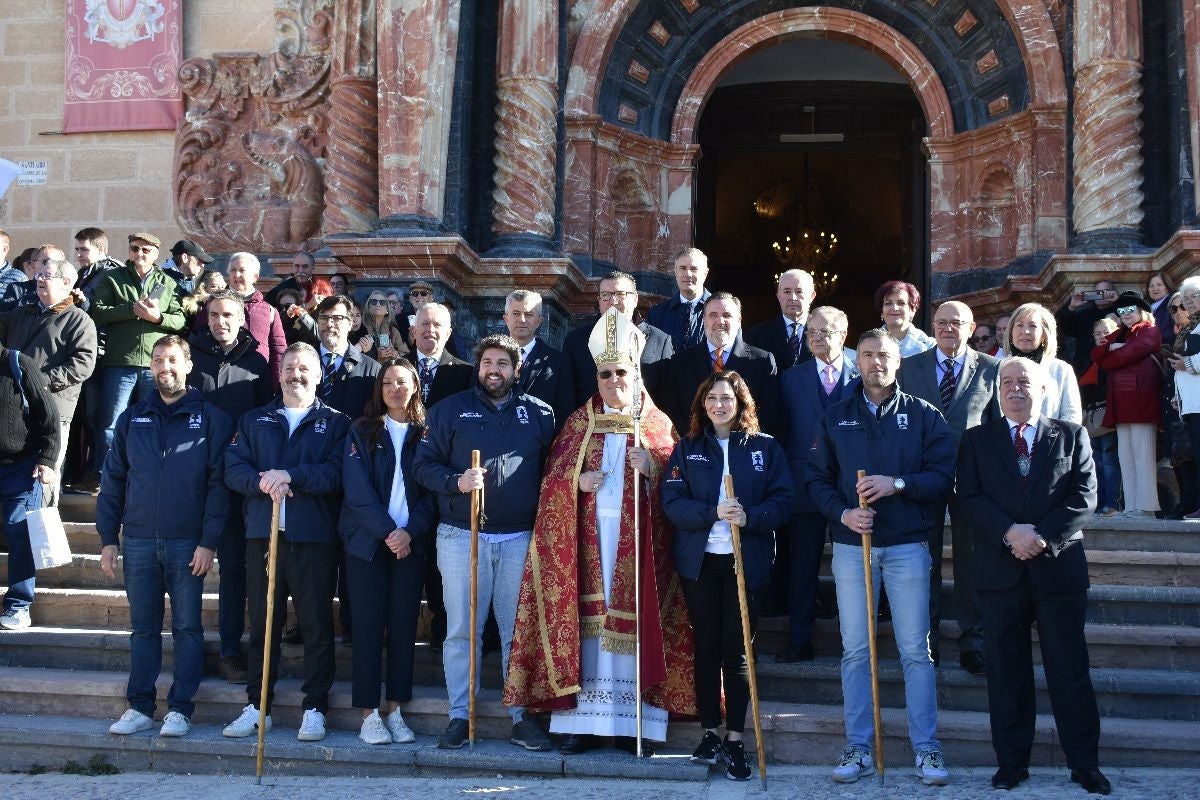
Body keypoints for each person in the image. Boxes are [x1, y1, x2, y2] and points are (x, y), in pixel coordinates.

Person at [504, 307, 694, 756]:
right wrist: (575, 482)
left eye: (621, 372)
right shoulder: (576, 423)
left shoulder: (657, 424)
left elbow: (682, 479)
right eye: (605, 373)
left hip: (639, 550)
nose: (614, 381)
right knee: (588, 633)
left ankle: (635, 724)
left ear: (636, 372)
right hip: (587, 550)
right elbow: (550, 481)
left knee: (635, 629)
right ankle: (578, 724)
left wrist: (654, 467)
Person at [806, 328, 955, 786]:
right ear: (858, 361)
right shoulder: (836, 416)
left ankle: (926, 750)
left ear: (898, 362)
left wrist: (899, 484)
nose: (876, 362)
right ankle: (858, 746)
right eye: (867, 355)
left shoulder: (925, 415)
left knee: (915, 650)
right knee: (855, 651)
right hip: (854, 550)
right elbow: (816, 480)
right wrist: (844, 513)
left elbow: (943, 476)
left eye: (884, 355)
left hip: (909, 545)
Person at [955, 357, 1109, 795]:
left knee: (1070, 670)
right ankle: (1011, 763)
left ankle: (1084, 765)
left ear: (1042, 389)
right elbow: (968, 496)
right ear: (998, 390)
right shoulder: (976, 440)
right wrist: (1009, 533)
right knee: (1006, 672)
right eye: (1007, 382)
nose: (1015, 388)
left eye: (1024, 381)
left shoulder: (1071, 434)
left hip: (1057, 567)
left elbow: (1085, 496)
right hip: (999, 571)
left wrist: (1040, 536)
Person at [413, 334, 556, 752]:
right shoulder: (449, 410)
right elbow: (423, 466)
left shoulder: (540, 414)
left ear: (517, 369)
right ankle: (461, 714)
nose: (494, 370)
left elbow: (555, 470)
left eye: (503, 363)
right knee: (462, 631)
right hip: (462, 536)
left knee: (518, 632)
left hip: (519, 538)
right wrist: (454, 482)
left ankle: (521, 716)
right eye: (488, 362)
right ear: (478, 367)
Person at [98, 335, 232, 738]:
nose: (164, 367)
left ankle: (180, 708)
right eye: (158, 360)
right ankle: (139, 705)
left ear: (188, 365)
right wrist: (108, 538)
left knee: (188, 629)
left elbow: (218, 487)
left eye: (172, 360)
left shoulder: (211, 418)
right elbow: (113, 480)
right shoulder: (132, 417)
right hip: (138, 540)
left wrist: (209, 541)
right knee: (143, 628)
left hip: (188, 543)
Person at [662, 370, 792, 780]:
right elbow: (673, 502)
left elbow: (784, 500)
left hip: (744, 561)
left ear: (741, 404)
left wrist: (750, 516)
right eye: (713, 398)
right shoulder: (687, 448)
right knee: (706, 648)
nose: (720, 404)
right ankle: (710, 733)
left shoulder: (765, 449)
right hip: (700, 563)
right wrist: (711, 513)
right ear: (703, 404)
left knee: (736, 653)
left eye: (728, 398)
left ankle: (736, 738)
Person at [222, 343, 351, 743]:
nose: (296, 374)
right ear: (279, 374)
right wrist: (262, 482)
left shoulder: (336, 423)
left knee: (315, 624)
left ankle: (315, 707)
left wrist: (291, 475)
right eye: (289, 367)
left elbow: (336, 473)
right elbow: (233, 467)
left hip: (313, 537)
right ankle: (258, 705)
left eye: (304, 368)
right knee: (264, 624)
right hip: (263, 533)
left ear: (318, 375)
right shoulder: (254, 419)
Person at [898, 300, 1001, 676]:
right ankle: (926, 641)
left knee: (970, 561)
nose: (947, 328)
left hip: (972, 481)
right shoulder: (910, 367)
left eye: (956, 323)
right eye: (941, 322)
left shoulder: (991, 368)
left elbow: (995, 430)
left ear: (971, 327)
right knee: (923, 562)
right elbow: (900, 422)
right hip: (922, 480)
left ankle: (973, 640)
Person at [340, 359, 436, 745]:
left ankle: (395, 708)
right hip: (368, 544)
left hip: (409, 546)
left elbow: (432, 492)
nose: (395, 389)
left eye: (402, 382)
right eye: (388, 383)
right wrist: (388, 532)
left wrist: (408, 532)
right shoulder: (361, 430)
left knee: (402, 628)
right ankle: (369, 713)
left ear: (415, 386)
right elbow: (357, 490)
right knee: (366, 628)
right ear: (379, 390)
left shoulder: (427, 434)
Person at [187, 289, 273, 683]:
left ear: (242, 319)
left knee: (236, 568)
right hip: (195, 477)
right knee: (189, 564)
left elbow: (262, 417)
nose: (220, 322)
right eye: (215, 314)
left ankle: (229, 649)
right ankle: (187, 646)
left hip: (240, 479)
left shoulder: (257, 362)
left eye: (228, 315)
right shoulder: (191, 357)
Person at [777, 305, 859, 663]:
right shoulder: (790, 378)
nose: (817, 337)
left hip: (850, 488)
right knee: (803, 568)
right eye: (812, 331)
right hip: (804, 486)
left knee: (853, 568)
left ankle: (854, 645)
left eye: (825, 331)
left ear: (843, 335)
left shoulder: (862, 376)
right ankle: (799, 641)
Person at [88, 232, 186, 481]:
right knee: (111, 423)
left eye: (145, 250)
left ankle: (149, 474)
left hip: (156, 367)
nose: (139, 254)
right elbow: (97, 312)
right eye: (135, 249)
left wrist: (158, 318)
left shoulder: (168, 282)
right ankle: (105, 475)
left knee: (153, 421)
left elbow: (181, 320)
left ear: (156, 254)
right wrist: (131, 310)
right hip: (120, 362)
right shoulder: (112, 278)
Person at [0, 257, 98, 503]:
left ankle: (43, 533)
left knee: (46, 474)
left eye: (47, 276)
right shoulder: (21, 313)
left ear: (66, 282)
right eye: (39, 275)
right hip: (14, 410)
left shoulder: (79, 320)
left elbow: (83, 365)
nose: (39, 280)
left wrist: (39, 382)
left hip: (53, 408)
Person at [408, 301, 472, 648]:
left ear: (448, 332)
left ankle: (442, 624)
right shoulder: (398, 369)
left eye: (438, 325)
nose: (430, 330)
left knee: (441, 558)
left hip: (446, 478)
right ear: (413, 329)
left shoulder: (464, 373)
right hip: (404, 477)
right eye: (424, 324)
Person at [0, 342, 61, 630]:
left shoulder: (19, 363)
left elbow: (49, 418)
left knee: (19, 532)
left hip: (21, 468)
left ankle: (18, 605)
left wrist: (48, 460)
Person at [662, 292, 781, 437]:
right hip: (695, 450)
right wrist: (697, 442)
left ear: (739, 321)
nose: (720, 321)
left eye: (727, 315)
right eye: (713, 315)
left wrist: (741, 443)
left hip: (744, 450)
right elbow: (673, 409)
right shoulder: (680, 362)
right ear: (704, 320)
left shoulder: (762, 361)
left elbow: (769, 412)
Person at [1091, 292, 1163, 518]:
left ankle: (1147, 507)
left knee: (1143, 454)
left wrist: (1113, 352)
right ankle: (1132, 505)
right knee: (1126, 456)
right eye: (1121, 312)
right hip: (1121, 402)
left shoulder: (1150, 330)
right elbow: (1096, 354)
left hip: (1141, 400)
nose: (1126, 314)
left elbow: (1125, 355)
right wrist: (1112, 350)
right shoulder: (1119, 334)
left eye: (1130, 310)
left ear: (1141, 310)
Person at [63, 228, 123, 494]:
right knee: (87, 418)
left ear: (100, 249)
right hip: (81, 352)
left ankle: (98, 474)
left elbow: (104, 315)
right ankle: (85, 471)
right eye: (76, 249)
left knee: (100, 418)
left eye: (84, 249)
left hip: (101, 355)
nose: (78, 255)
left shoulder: (111, 274)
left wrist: (84, 304)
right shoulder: (83, 274)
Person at [562, 271, 673, 408]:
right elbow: (566, 393)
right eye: (605, 295)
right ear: (599, 300)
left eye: (620, 294)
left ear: (635, 299)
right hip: (591, 425)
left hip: (642, 425)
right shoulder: (576, 340)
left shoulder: (660, 340)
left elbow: (668, 394)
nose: (613, 302)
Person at [214, 253, 288, 389]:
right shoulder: (213, 305)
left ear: (255, 277)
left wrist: (277, 386)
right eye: (232, 270)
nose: (236, 275)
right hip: (219, 381)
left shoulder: (270, 311)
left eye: (242, 270)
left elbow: (279, 352)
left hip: (257, 382)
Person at [503, 289, 574, 427]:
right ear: (506, 319)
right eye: (516, 313)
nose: (522, 320)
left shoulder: (558, 361)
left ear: (539, 321)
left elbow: (564, 411)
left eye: (529, 314)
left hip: (540, 443)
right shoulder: (487, 357)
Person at [1003, 302, 1083, 423]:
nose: (1025, 331)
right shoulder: (996, 368)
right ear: (1011, 332)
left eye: (1033, 326)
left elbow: (1071, 415)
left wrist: (1056, 440)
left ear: (1044, 335)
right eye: (1019, 325)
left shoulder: (1061, 370)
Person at [1079, 317, 1122, 516]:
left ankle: (1112, 502)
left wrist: (1091, 391)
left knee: (1109, 460)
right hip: (1092, 418)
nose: (1102, 336)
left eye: (1106, 332)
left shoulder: (1117, 356)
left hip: (1108, 416)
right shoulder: (1092, 358)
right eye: (1098, 333)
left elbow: (1108, 388)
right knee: (1096, 461)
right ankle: (1100, 502)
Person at [1167, 280, 1200, 520]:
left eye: (1194, 296)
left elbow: (1189, 364)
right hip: (1191, 404)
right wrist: (1178, 397)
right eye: (1186, 298)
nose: (1188, 302)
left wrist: (1187, 363)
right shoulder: (1193, 326)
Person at [745, 269, 816, 370]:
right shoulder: (757, 336)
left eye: (799, 291)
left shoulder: (825, 333)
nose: (793, 298)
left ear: (812, 296)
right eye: (787, 292)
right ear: (778, 296)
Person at [647, 247, 711, 351]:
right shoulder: (657, 314)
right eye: (682, 268)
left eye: (694, 269)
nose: (688, 274)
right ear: (675, 272)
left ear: (705, 273)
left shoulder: (723, 312)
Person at [1055, 279, 1118, 375]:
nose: (1101, 295)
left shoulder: (1120, 312)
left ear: (1112, 293)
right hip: (1084, 367)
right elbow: (1064, 328)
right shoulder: (1084, 315)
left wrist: (1119, 301)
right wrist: (1071, 307)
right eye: (1098, 292)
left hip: (1111, 364)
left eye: (1105, 291)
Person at [876, 280, 935, 357]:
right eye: (888, 303)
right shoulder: (868, 344)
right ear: (882, 312)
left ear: (912, 310)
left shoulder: (930, 346)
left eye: (901, 303)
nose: (894, 308)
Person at [360, 289, 408, 362]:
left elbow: (406, 355)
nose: (378, 304)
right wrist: (375, 355)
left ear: (387, 310)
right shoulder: (360, 328)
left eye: (382, 302)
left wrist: (396, 354)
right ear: (368, 307)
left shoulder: (393, 331)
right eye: (374, 302)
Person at [1147, 270, 1177, 348]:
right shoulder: (1147, 309)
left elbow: (1175, 331)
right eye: (1151, 286)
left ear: (1167, 286)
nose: (1155, 288)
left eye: (1159, 285)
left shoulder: (1174, 304)